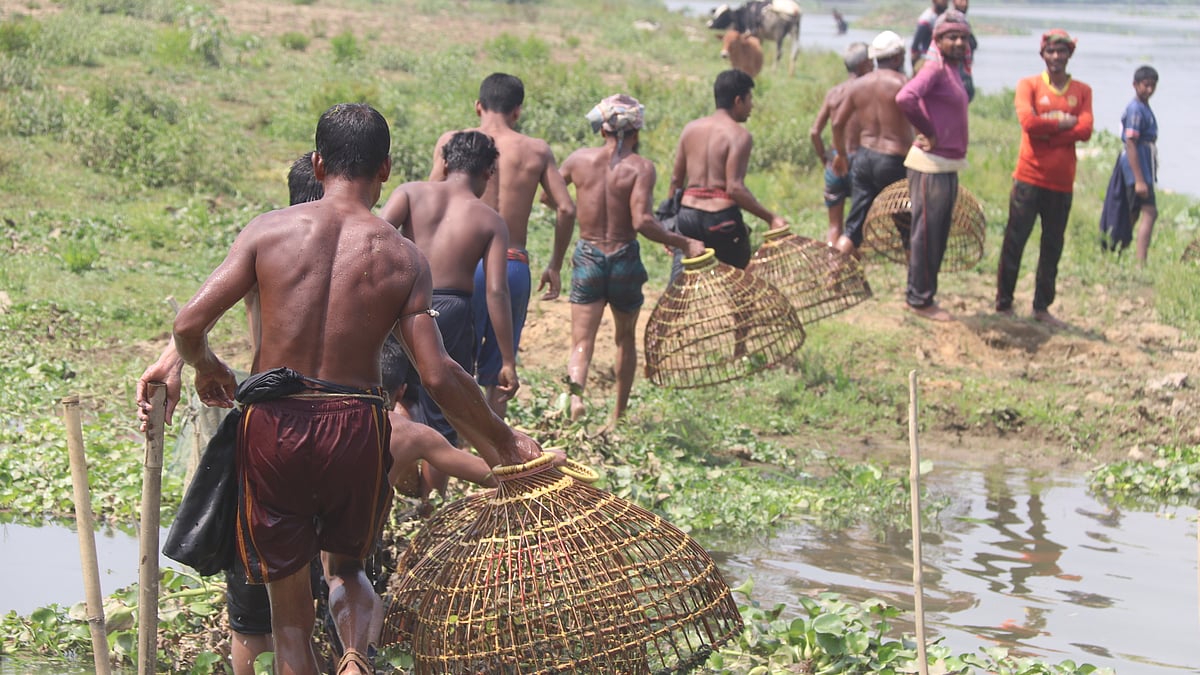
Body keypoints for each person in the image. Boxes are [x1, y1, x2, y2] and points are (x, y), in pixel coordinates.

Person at [145, 103, 545, 675]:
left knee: (289, 622)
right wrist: (504, 444)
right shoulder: (404, 257)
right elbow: (438, 373)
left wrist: (207, 368)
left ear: (317, 161)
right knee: (350, 568)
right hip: (356, 426)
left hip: (275, 427)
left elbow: (188, 326)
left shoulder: (267, 231)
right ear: (384, 169)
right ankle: (355, 655)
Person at [544, 94, 704, 424]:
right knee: (625, 339)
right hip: (624, 259)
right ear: (636, 132)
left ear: (603, 130)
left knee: (581, 342)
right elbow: (642, 222)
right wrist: (681, 241)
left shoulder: (578, 160)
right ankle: (618, 416)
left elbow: (548, 195)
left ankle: (575, 400)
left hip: (589, 254)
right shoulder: (641, 168)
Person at [429, 73, 576, 419]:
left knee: (453, 359)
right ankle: (493, 457)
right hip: (511, 262)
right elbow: (567, 208)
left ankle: (452, 449)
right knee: (500, 371)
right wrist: (554, 264)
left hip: (459, 263)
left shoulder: (453, 141)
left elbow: (430, 195)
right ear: (518, 111)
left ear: (478, 106)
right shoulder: (536, 150)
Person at [380, 130, 517, 457]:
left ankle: (391, 474)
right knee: (443, 410)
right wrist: (507, 359)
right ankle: (429, 499)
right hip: (452, 313)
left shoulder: (410, 193)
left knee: (392, 394)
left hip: (401, 302)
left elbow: (375, 237)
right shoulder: (491, 221)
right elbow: (496, 291)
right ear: (488, 173)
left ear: (444, 162)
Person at [995, 30, 1093, 328]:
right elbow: (1028, 122)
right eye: (1051, 52)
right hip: (1028, 177)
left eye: (1062, 52)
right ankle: (1004, 303)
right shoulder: (1029, 85)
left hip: (1062, 183)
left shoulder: (1083, 90)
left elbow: (1086, 130)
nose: (1056, 57)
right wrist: (1064, 124)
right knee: (1015, 240)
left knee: (1053, 246)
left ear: (1069, 55)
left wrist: (1047, 130)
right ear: (1043, 55)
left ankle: (1042, 307)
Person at [668, 69, 787, 273]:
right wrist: (771, 218)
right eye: (750, 99)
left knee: (683, 284)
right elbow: (734, 188)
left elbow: (676, 180)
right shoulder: (739, 135)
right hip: (720, 220)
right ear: (738, 100)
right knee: (739, 282)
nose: (752, 106)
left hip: (687, 217)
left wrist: (669, 224)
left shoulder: (690, 129)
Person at [895, 9, 972, 322]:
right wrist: (927, 130)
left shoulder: (953, 69)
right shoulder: (935, 68)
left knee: (937, 233)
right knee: (926, 233)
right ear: (937, 40)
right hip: (929, 164)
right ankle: (918, 299)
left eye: (962, 38)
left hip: (946, 164)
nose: (958, 42)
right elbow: (906, 97)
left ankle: (924, 294)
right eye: (951, 37)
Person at [831, 30, 912, 259]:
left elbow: (837, 123)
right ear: (897, 57)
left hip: (864, 159)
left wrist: (841, 155)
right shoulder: (903, 84)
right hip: (895, 161)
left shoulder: (858, 85)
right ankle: (916, 290)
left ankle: (832, 276)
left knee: (853, 228)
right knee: (908, 227)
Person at [809, 41, 872, 245]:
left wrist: (825, 158)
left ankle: (831, 270)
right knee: (856, 230)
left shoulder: (834, 93)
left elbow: (815, 132)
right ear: (863, 64)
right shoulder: (867, 93)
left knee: (834, 227)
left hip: (835, 162)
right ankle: (848, 272)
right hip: (859, 165)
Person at [1100, 65, 1159, 265]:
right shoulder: (1136, 110)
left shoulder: (1144, 107)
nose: (1149, 90)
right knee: (1149, 212)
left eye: (1153, 86)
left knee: (1132, 212)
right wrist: (1140, 179)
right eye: (1146, 85)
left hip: (1143, 166)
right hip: (1136, 167)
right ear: (1135, 85)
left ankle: (1117, 250)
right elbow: (1131, 142)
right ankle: (1140, 261)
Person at [910, 0, 948, 74]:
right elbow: (915, 46)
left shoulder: (943, 16)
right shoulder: (927, 19)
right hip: (927, 59)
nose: (945, 2)